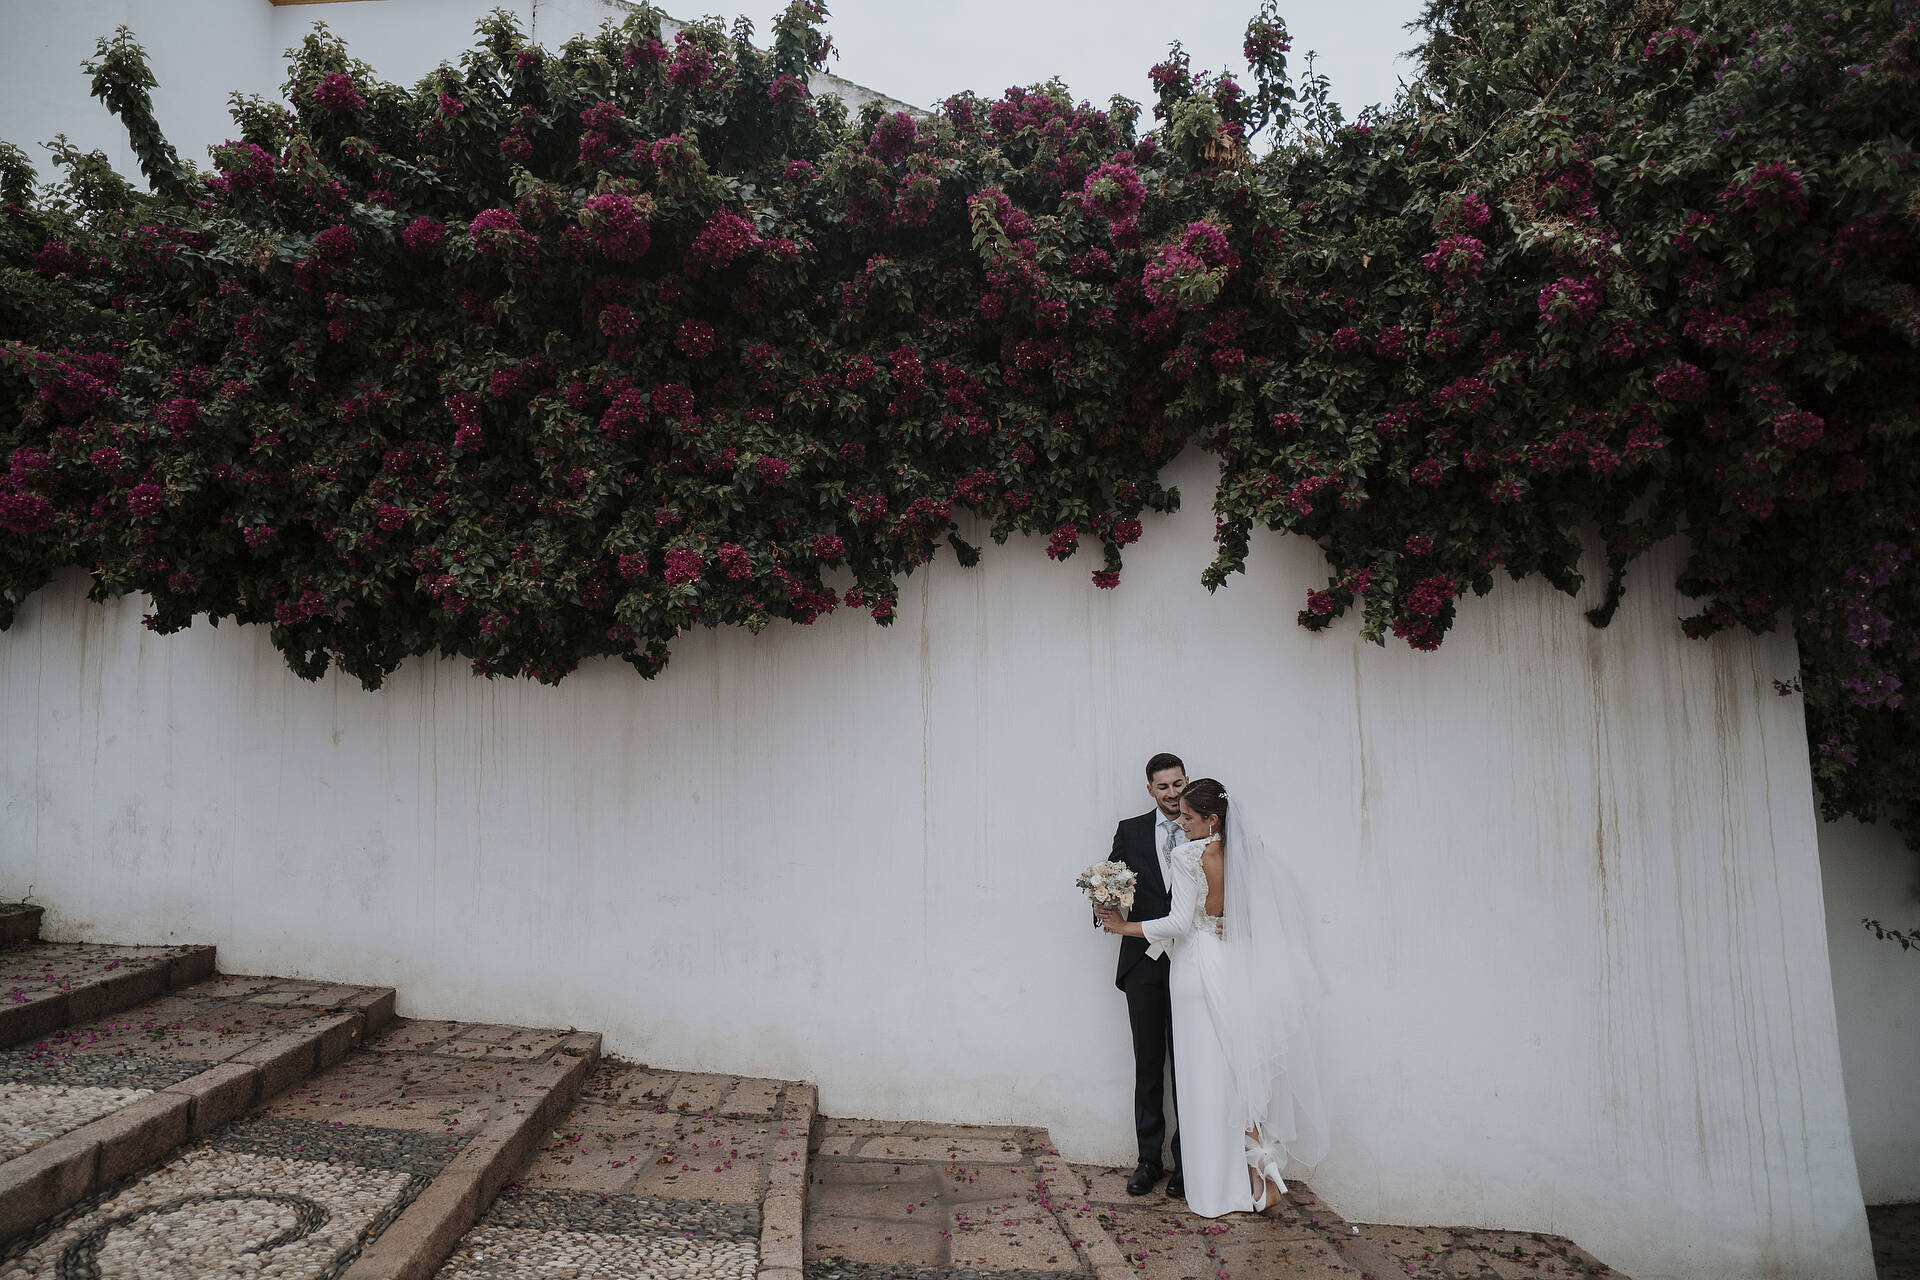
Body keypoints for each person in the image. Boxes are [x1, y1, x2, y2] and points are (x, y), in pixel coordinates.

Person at [1096, 778, 1329, 1217]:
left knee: (1201, 1078)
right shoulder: (1243, 854)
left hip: (1194, 973)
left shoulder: (1189, 855)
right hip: (1231, 966)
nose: (1180, 824)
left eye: (1187, 817)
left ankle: (1218, 1185)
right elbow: (1252, 915)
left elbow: (1180, 923)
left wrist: (1122, 927)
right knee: (1235, 1073)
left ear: (1211, 819)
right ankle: (1259, 1177)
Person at [1103, 752, 1190, 1198]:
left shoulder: (1203, 827)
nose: (1173, 795)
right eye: (1164, 787)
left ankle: (1187, 1164)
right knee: (1148, 1063)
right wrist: (1103, 904)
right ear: (1150, 789)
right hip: (1144, 964)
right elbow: (1112, 881)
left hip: (1193, 963)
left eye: (1178, 785)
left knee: (1190, 1065)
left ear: (1185, 781)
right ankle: (1148, 1160)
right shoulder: (1131, 831)